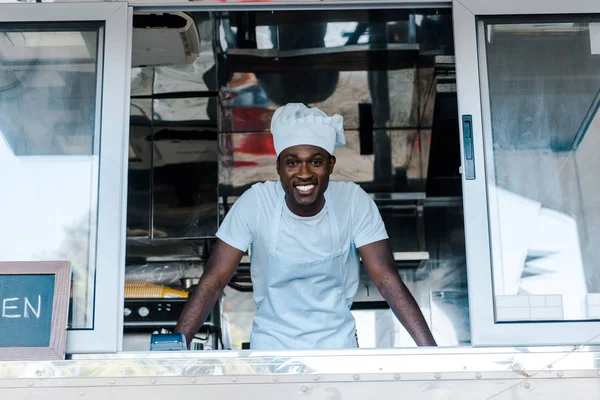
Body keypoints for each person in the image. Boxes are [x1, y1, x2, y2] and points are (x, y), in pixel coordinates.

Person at [175, 103, 437, 349]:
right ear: (278, 166)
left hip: (337, 347)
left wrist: (430, 351)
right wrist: (174, 348)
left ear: (330, 165)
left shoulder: (353, 201)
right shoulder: (256, 203)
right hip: (271, 349)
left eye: (315, 161)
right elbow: (214, 280)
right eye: (292, 162)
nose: (303, 173)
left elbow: (387, 280)